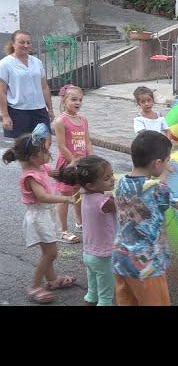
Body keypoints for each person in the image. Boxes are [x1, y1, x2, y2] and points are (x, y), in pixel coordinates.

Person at [112, 130, 178, 306]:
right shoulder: (159, 190)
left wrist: (164, 171)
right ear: (157, 163)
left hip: (121, 258)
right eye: (167, 160)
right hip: (147, 265)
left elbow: (150, 185)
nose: (168, 163)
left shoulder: (121, 182)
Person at [2, 124, 76, 303]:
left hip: (45, 216)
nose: (48, 154)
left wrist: (74, 170)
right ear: (33, 157)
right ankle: (34, 286)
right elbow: (42, 197)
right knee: (50, 253)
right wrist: (65, 199)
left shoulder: (41, 168)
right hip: (39, 217)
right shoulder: (30, 176)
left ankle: (51, 280)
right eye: (45, 151)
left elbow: (57, 173)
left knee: (48, 251)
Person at [51, 155, 116, 306]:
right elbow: (123, 207)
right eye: (107, 177)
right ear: (91, 185)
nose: (113, 179)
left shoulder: (84, 193)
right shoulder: (105, 202)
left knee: (92, 293)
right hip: (104, 255)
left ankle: (90, 301)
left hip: (89, 253)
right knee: (106, 297)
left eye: (112, 174)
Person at [52, 84, 92, 243]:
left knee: (79, 193)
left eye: (80, 100)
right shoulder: (60, 121)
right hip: (67, 165)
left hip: (81, 164)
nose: (77, 103)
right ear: (64, 100)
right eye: (73, 99)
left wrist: (91, 159)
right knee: (64, 196)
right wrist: (73, 161)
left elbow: (87, 141)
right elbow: (61, 145)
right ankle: (63, 230)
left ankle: (80, 221)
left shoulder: (83, 120)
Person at [0, 30, 55, 138]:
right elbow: (2, 91)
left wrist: (50, 109)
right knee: (22, 148)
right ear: (13, 43)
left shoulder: (37, 62)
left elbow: (44, 87)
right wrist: (5, 116)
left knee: (43, 144)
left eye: (28, 42)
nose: (25, 45)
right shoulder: (5, 64)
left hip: (39, 111)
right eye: (21, 42)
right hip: (18, 112)